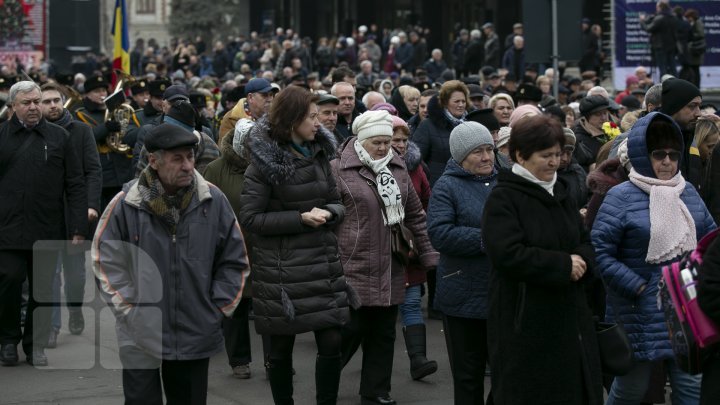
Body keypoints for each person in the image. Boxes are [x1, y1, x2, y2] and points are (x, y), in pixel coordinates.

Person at [93, 122, 250, 404]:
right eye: (178, 158)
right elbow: (105, 262)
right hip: (140, 332)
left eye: (190, 156)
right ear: (153, 161)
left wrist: (217, 308)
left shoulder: (212, 200)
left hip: (195, 328)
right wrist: (130, 311)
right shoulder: (126, 203)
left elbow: (234, 259)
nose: (189, 165)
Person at [238, 86, 352, 405]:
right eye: (312, 116)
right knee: (280, 348)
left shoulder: (317, 153)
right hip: (282, 270)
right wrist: (299, 218)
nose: (319, 123)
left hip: (322, 263)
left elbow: (337, 201)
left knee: (332, 342)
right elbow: (251, 217)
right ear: (292, 120)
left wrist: (330, 213)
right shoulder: (264, 162)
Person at [592, 112, 715, 404]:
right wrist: (637, 286)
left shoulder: (688, 194)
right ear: (642, 155)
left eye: (673, 155)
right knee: (631, 389)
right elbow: (600, 251)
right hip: (637, 310)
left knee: (690, 389)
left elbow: (711, 241)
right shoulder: (620, 196)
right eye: (658, 154)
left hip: (685, 307)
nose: (667, 162)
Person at [482, 114, 603, 404]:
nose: (554, 162)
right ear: (521, 156)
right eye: (545, 155)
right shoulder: (504, 198)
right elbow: (507, 254)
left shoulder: (560, 192)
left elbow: (584, 240)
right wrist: (563, 265)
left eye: (557, 155)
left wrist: (582, 262)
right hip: (524, 321)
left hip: (569, 318)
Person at [332, 110, 438, 405]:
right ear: (361, 141)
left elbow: (415, 215)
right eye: (377, 142)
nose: (384, 148)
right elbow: (328, 217)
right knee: (349, 331)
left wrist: (427, 253)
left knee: (383, 334)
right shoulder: (338, 169)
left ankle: (376, 392)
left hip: (392, 263)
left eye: (387, 142)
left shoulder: (398, 168)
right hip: (352, 264)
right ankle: (325, 383)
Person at [0, 81, 87, 367]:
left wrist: (77, 228)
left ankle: (35, 345)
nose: (35, 107)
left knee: (43, 290)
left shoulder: (60, 137)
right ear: (13, 107)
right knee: (9, 283)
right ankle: (8, 341)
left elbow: (75, 184)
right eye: (27, 103)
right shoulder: (1, 136)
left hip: (48, 228)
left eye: (37, 101)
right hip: (7, 229)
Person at [426, 121, 497, 404]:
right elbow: (440, 234)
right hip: (462, 296)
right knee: (468, 378)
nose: (486, 157)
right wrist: (489, 239)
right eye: (477, 152)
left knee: (506, 372)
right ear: (460, 156)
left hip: (500, 292)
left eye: (489, 149)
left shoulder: (504, 182)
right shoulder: (446, 186)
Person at [40, 83, 102, 344]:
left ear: (63, 102)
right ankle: (52, 327)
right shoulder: (36, 134)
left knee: (75, 275)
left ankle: (75, 309)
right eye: (47, 101)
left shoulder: (81, 131)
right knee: (50, 273)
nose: (52, 105)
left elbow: (93, 171)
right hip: (46, 214)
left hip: (76, 212)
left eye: (56, 100)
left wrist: (90, 205)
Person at [201, 118, 255, 379]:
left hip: (265, 244)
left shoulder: (267, 166)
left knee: (269, 305)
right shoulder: (215, 169)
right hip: (231, 246)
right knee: (237, 305)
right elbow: (205, 208)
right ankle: (240, 360)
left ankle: (274, 359)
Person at [389, 115, 437, 382]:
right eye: (395, 140)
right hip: (380, 247)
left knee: (411, 304)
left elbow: (428, 201)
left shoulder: (416, 168)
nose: (401, 145)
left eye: (405, 140)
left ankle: (418, 359)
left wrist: (422, 235)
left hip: (410, 246)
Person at [414, 80, 470, 187]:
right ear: (445, 102)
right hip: (437, 185)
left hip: (465, 185)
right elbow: (416, 159)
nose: (461, 105)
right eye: (456, 101)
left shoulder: (469, 125)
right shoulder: (428, 125)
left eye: (463, 101)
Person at [573, 95, 611, 172]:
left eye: (605, 113)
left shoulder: (613, 130)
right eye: (598, 114)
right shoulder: (578, 139)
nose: (603, 117)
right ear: (587, 117)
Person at [640, 1, 678, 78]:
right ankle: (676, 85)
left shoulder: (659, 18)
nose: (656, 9)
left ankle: (664, 85)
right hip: (672, 46)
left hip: (660, 47)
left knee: (662, 67)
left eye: (657, 7)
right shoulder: (674, 17)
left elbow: (648, 28)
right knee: (673, 67)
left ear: (660, 7)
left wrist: (642, 21)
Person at [684, 9, 705, 88]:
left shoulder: (698, 23)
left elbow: (700, 34)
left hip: (697, 50)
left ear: (692, 17)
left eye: (688, 17)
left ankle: (697, 86)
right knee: (694, 70)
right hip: (695, 50)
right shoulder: (694, 23)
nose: (688, 19)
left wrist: (690, 35)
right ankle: (695, 86)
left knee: (696, 70)